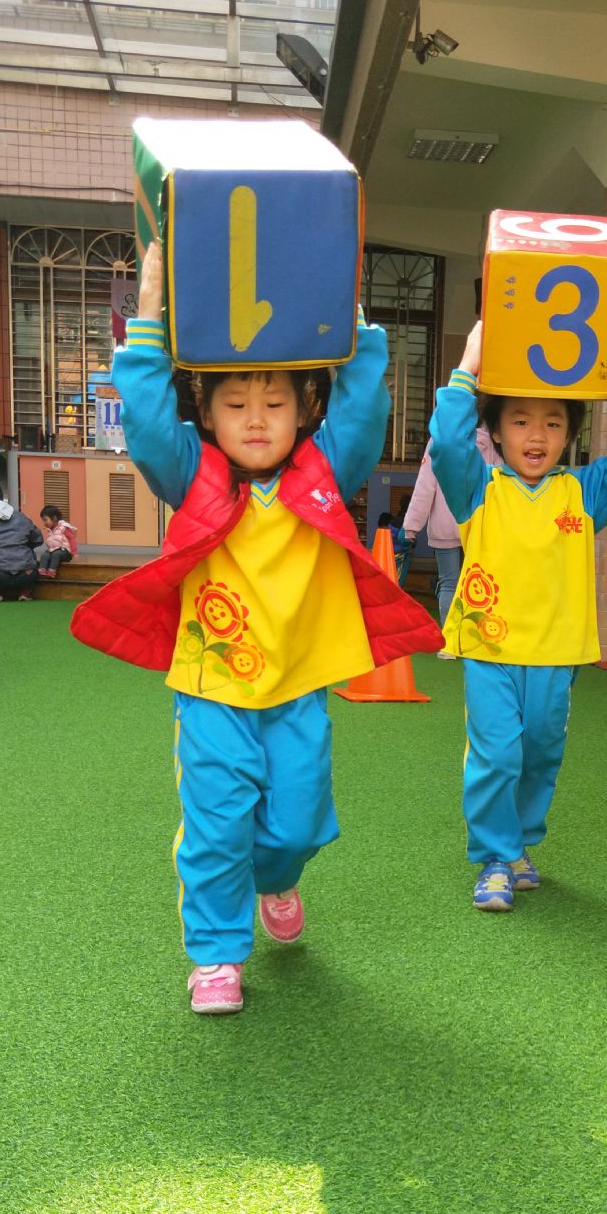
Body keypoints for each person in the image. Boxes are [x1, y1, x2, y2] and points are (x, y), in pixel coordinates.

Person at [71, 241, 441, 1015]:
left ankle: (277, 878)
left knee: (297, 826)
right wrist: (149, 313)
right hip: (213, 687)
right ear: (206, 414)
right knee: (216, 826)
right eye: (235, 404)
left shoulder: (323, 470)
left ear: (306, 409)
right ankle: (215, 954)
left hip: (297, 686)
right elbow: (147, 424)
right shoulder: (193, 473)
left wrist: (349, 314)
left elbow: (364, 413)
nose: (256, 420)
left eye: (275, 403)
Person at [429, 318, 607, 912]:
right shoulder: (478, 488)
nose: (536, 435)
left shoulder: (583, 492)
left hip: (557, 654)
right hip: (491, 649)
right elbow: (447, 444)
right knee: (498, 754)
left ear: (569, 434)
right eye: (520, 421)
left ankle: (520, 845)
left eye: (553, 423)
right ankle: (495, 857)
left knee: (540, 753)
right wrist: (468, 366)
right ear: (495, 432)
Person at [398, 428, 497, 657]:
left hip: (445, 522)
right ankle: (478, 641)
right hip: (479, 523)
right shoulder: (492, 440)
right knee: (481, 583)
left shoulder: (439, 440)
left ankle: (450, 643)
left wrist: (411, 526)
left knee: (449, 583)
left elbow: (425, 486)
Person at [0, 482, 45, 601]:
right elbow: (38, 539)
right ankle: (26, 591)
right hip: (26, 574)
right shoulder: (20, 516)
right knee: (28, 549)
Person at [38, 504, 79, 576]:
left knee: (56, 554)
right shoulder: (50, 530)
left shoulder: (63, 527)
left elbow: (71, 538)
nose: (44, 523)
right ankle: (42, 569)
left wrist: (74, 552)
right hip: (53, 550)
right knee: (45, 555)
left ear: (54, 518)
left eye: (45, 520)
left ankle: (52, 570)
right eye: (43, 520)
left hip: (65, 552)